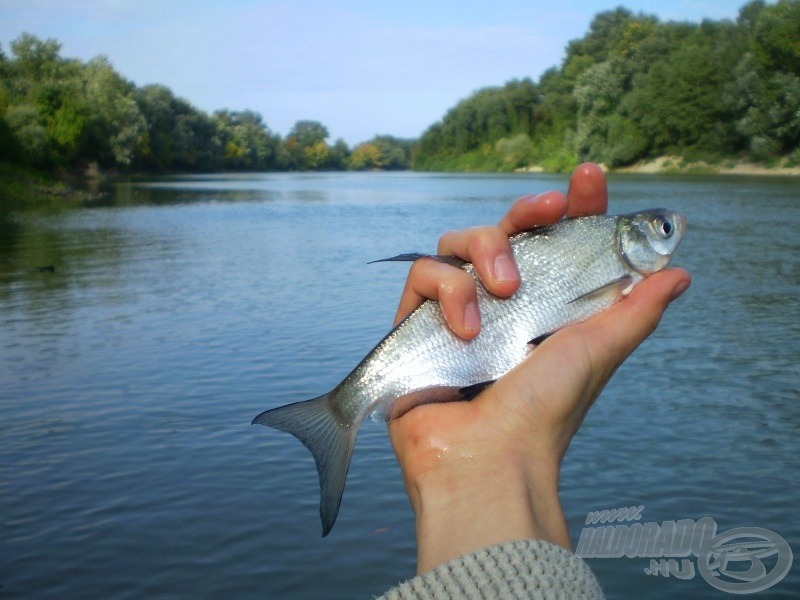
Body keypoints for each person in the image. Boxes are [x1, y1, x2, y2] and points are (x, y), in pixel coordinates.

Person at [378, 163, 691, 599]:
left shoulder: (622, 273)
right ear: (634, 239)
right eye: (662, 229)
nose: (672, 232)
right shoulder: (619, 264)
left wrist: (487, 465)